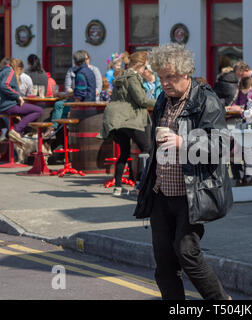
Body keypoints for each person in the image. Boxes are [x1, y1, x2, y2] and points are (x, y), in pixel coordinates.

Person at [133, 43, 233, 300]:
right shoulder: (162, 100)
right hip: (161, 192)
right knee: (164, 265)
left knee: (187, 252)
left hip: (191, 193)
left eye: (171, 77)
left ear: (186, 74)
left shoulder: (206, 101)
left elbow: (220, 146)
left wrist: (182, 141)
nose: (165, 83)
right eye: (161, 77)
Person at [102, 51, 156, 196]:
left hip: (117, 119)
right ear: (139, 65)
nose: (145, 70)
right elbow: (141, 100)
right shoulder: (132, 77)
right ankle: (141, 185)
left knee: (124, 153)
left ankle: (118, 187)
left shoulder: (121, 76)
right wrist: (160, 102)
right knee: (148, 150)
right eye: (144, 67)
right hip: (131, 119)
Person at [44, 50, 97, 139]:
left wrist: (72, 109)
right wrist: (65, 95)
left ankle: (53, 130)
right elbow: (81, 91)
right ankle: (56, 130)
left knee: (58, 105)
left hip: (83, 106)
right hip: (89, 103)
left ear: (75, 61)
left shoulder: (81, 74)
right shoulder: (88, 71)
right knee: (60, 107)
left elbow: (80, 95)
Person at [0, 57, 42, 148]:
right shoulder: (10, 71)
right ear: (18, 68)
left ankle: (18, 136)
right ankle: (16, 132)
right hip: (9, 105)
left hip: (4, 106)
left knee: (22, 118)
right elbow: (4, 86)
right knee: (38, 110)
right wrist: (17, 96)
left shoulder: (2, 72)